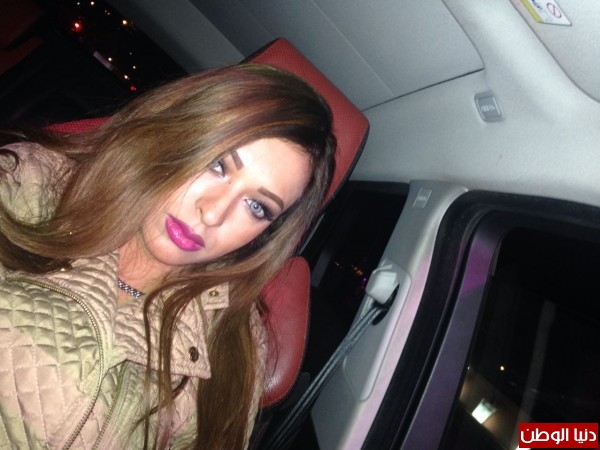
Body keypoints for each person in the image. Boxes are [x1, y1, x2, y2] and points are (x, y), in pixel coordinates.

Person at [0, 63, 336, 449]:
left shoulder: (235, 345)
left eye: (256, 206)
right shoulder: (29, 182)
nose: (213, 213)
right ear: (177, 133)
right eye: (217, 164)